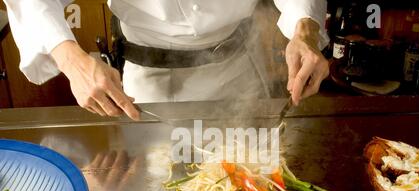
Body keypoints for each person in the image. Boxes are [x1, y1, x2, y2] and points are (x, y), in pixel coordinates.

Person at [4, 0, 329, 120]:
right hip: (149, 83)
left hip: (239, 69)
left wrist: (306, 29)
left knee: (249, 187)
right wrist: (73, 62)